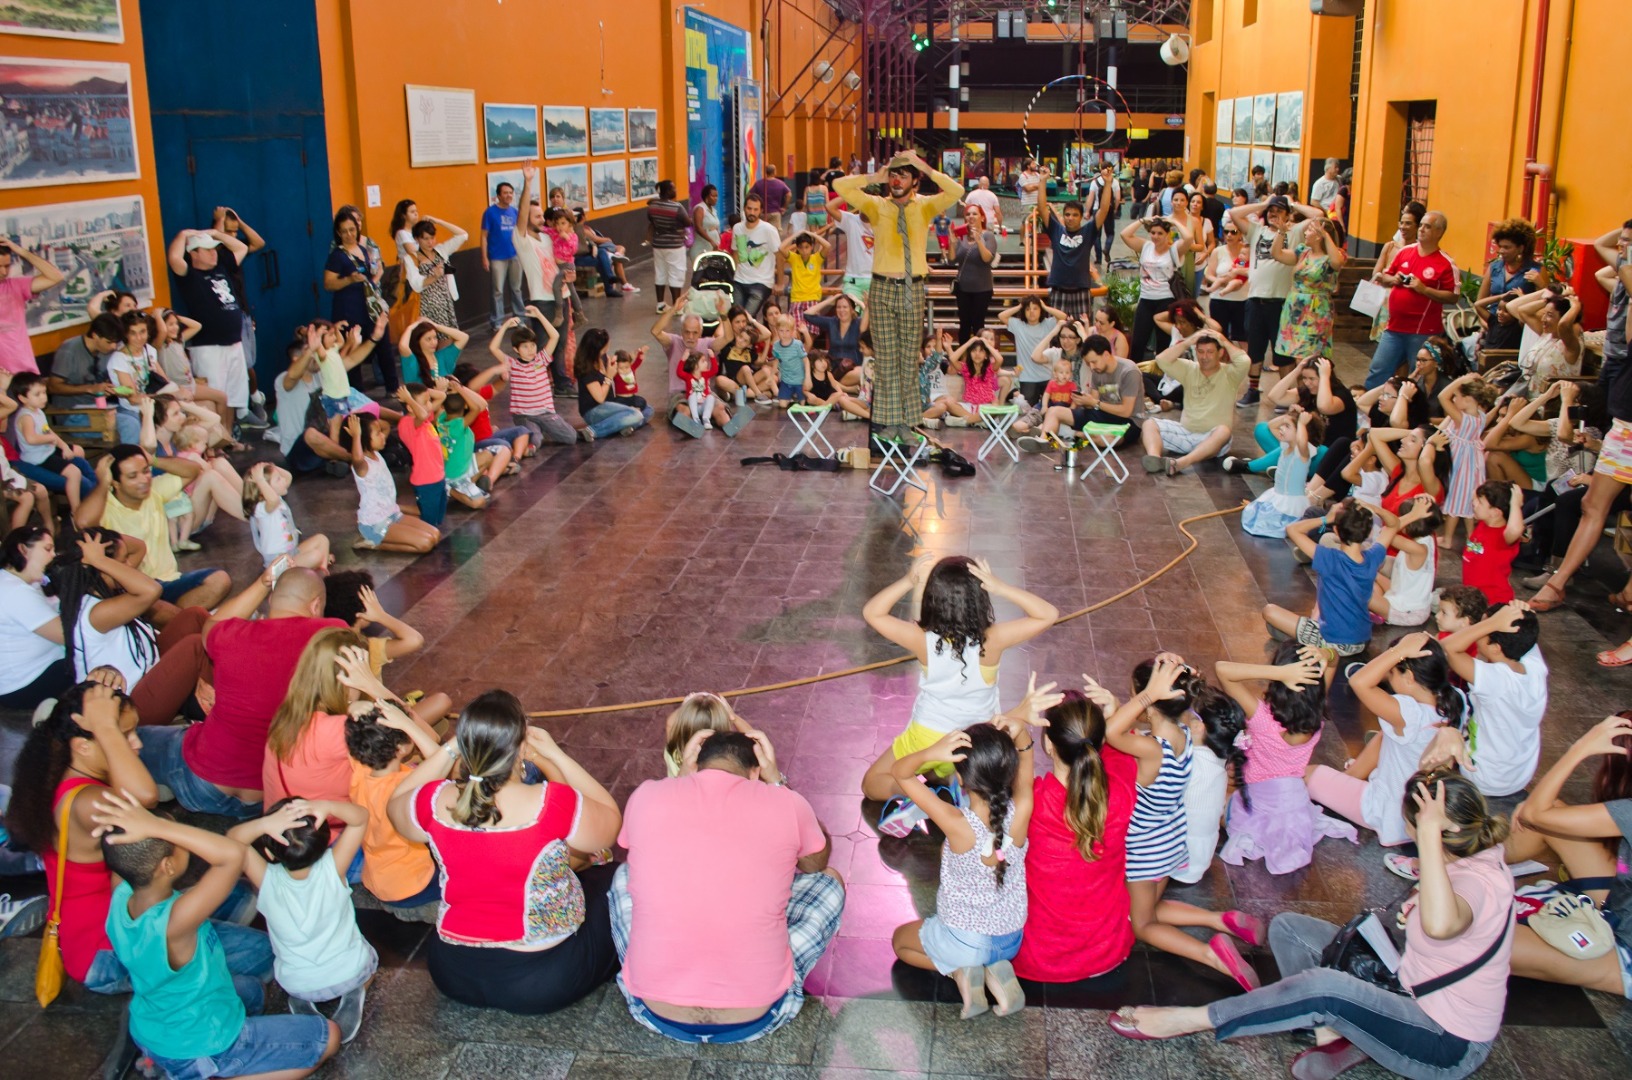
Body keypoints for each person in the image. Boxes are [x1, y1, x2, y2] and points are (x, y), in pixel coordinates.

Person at [1110, 773, 1515, 1080]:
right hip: (1405, 985)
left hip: (1443, 1042)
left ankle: (1192, 1019)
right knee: (1289, 929)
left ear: (1436, 831)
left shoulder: (1479, 883)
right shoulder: (1471, 849)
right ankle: (1340, 1029)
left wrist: (1426, 835)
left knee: (1325, 988)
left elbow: (1442, 925)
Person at [385, 690, 622, 1015]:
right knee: (613, 877)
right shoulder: (551, 802)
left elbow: (396, 804)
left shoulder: (435, 800)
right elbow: (609, 825)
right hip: (542, 980)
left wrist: (451, 748)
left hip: (453, 972)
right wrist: (554, 756)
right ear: (520, 747)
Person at [610, 727, 843, 1043]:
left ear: (695, 764)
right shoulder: (787, 802)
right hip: (763, 1014)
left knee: (624, 874)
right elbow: (814, 864)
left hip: (652, 1011)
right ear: (755, 771)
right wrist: (777, 782)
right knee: (830, 880)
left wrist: (681, 777)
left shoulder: (646, 796)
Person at [93, 789, 339, 1079]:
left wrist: (136, 821)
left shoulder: (122, 892)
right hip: (203, 1044)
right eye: (177, 839)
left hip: (155, 1026)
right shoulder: (175, 920)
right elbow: (231, 856)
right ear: (167, 866)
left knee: (253, 992)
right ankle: (201, 1072)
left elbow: (122, 851)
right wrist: (158, 827)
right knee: (328, 1037)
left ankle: (163, 1061)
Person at [861, 554, 1058, 824]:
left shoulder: (922, 639)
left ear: (932, 599)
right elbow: (1048, 614)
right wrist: (1001, 587)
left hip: (929, 736)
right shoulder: (993, 639)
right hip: (977, 741)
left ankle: (920, 795)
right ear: (979, 599)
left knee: (872, 783)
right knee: (949, 768)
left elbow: (872, 612)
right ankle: (958, 784)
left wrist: (908, 580)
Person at [138, 567, 346, 819]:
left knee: (135, 738)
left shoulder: (231, 634)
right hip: (274, 797)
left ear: (271, 600)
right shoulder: (333, 635)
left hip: (204, 784)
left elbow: (211, 624)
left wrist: (261, 583)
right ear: (316, 605)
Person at [1115, 657, 1267, 991]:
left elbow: (1113, 733)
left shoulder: (1151, 749)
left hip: (1145, 850)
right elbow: (1136, 727)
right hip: (1171, 841)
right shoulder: (1187, 735)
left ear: (1148, 699)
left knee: (1140, 923)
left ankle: (1211, 955)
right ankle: (1219, 919)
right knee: (1148, 906)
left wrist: (1143, 697)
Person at [890, 724, 1032, 1020]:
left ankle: (961, 972)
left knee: (900, 942)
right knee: (979, 946)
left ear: (960, 778)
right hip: (1011, 938)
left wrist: (931, 752)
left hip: (966, 942)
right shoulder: (1022, 810)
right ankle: (994, 969)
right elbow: (1026, 759)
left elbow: (900, 772)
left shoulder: (956, 822)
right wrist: (1021, 733)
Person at [831, 151, 963, 441]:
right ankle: (888, 422)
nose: (896, 180)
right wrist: (874, 176)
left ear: (915, 180)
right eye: (893, 175)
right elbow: (839, 186)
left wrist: (925, 167)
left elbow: (957, 191)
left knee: (908, 358)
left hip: (912, 287)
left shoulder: (925, 206)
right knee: (886, 359)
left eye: (903, 175)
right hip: (881, 287)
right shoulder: (877, 205)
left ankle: (907, 423)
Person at [1503, 714, 1632, 997]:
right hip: (1622, 905)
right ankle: (1468, 866)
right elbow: (1540, 815)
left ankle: (1459, 873)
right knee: (1553, 817)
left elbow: (1534, 813)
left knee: (1475, 942)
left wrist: (1580, 748)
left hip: (1627, 955)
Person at [227, 798, 375, 1042]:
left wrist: (264, 824)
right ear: (324, 844)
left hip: (296, 982)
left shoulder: (265, 880)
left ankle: (302, 999)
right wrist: (328, 806)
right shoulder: (334, 867)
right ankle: (356, 989)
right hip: (349, 972)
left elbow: (232, 839)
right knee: (367, 956)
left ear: (268, 852)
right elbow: (360, 818)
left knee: (297, 972)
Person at [74, 446, 230, 610]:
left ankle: (175, 618)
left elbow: (193, 470)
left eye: (145, 471)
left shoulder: (154, 491)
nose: (144, 480)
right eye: (133, 476)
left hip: (169, 581)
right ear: (115, 482)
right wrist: (102, 484)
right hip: (135, 590)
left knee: (219, 580)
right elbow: (83, 523)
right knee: (155, 605)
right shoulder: (105, 506)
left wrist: (153, 460)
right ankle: (178, 618)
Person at [1226, 194, 1321, 407]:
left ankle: (1284, 395)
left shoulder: (1295, 232)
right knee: (1255, 350)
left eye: (1279, 211)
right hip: (1255, 300)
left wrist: (1292, 204)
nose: (1274, 214)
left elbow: (1318, 214)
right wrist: (1264, 204)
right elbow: (1234, 213)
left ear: (1287, 214)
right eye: (1271, 211)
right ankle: (1253, 391)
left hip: (1281, 303)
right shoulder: (1257, 231)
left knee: (1283, 353)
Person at [166, 227, 258, 427]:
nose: (213, 253)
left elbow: (241, 248)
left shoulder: (221, 269)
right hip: (209, 347)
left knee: (233, 396)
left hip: (234, 343)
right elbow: (174, 258)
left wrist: (216, 234)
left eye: (214, 249)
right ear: (194, 254)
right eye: (207, 250)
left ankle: (229, 436)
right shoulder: (189, 276)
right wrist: (183, 235)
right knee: (217, 395)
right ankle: (217, 437)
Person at [1366, 211, 1460, 388]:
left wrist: (1424, 289)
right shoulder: (1405, 252)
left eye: (1427, 226)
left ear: (1439, 232)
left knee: (1419, 376)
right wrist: (1393, 279)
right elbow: (1384, 276)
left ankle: (1413, 404)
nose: (1421, 229)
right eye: (1421, 225)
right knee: (1378, 370)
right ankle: (1369, 404)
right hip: (1394, 328)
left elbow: (1453, 296)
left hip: (1422, 332)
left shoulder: (1446, 263)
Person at [1138, 329, 1250, 475]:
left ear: (1220, 353)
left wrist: (1223, 340)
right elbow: (1161, 360)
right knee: (1149, 424)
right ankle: (1155, 459)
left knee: (1224, 431)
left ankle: (1182, 463)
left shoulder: (1230, 374)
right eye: (1200, 351)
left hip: (1213, 439)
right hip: (1185, 433)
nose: (1204, 357)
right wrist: (1189, 341)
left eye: (1210, 352)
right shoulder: (1190, 368)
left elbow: (1244, 361)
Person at [0, 526, 69, 709]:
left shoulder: (26, 583)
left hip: (38, 670)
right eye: (47, 549)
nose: (53, 556)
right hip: (24, 683)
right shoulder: (13, 590)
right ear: (23, 549)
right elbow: (67, 635)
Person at [1274, 217, 1346, 361]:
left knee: (1308, 356)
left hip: (1315, 310)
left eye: (1309, 230)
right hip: (1295, 308)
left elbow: (1337, 263)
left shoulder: (1333, 256)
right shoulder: (1303, 252)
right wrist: (1281, 233)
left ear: (1318, 235)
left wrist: (1325, 235)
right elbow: (1277, 254)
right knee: (1295, 354)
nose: (1305, 233)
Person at [1118, 216, 1190, 361]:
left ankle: (1161, 371)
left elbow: (1189, 238)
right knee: (1138, 341)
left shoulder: (1174, 250)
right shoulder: (1146, 247)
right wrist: (1143, 220)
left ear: (1167, 234)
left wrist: (1174, 222)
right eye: (1153, 233)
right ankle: (1136, 369)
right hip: (1146, 298)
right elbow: (1124, 234)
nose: (1155, 236)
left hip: (1166, 298)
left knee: (1163, 341)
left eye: (1160, 233)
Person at [1472, 218, 1540, 350]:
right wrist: (1485, 322)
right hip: (1493, 327)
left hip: (1519, 331)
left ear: (1521, 248)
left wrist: (1540, 283)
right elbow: (1480, 300)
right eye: (1500, 246)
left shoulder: (1535, 270)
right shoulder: (1494, 268)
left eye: (1507, 247)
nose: (1501, 251)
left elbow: (1546, 301)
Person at [0, 235, 64, 373]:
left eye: (7, 266)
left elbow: (56, 277)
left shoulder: (15, 286)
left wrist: (20, 250)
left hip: (23, 370)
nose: (4, 272)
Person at [574, 328, 650, 439]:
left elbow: (620, 367)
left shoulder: (603, 357)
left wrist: (632, 358)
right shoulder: (587, 369)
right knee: (636, 414)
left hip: (609, 404)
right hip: (593, 410)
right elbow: (600, 398)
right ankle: (593, 431)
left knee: (648, 410)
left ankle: (623, 425)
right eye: (606, 345)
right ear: (597, 349)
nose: (608, 345)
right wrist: (609, 377)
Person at [1039, 197, 1104, 320]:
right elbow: (1042, 208)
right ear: (1063, 216)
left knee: (1082, 327)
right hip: (1058, 290)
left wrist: (1108, 186)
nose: (1070, 218)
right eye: (1067, 214)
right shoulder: (1056, 230)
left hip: (1081, 290)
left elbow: (1104, 210)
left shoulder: (1088, 231)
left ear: (1081, 217)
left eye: (1075, 215)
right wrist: (1041, 184)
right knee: (1056, 327)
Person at [999, 295, 1064, 406]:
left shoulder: (1047, 324)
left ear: (1040, 310)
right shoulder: (1018, 325)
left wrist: (1045, 307)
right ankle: (1014, 394)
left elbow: (1062, 316)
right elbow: (1001, 316)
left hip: (1047, 375)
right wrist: (1020, 306)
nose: (1032, 312)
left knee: (1050, 406)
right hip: (1027, 377)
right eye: (1028, 309)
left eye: (1035, 308)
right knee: (1028, 408)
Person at [46, 312, 122, 408]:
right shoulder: (69, 350)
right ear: (95, 335)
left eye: (116, 342)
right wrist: (89, 389)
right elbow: (53, 387)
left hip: (102, 406)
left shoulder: (108, 350)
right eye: (109, 342)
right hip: (72, 410)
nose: (114, 347)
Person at [481, 181, 525, 329]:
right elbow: (484, 236)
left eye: (510, 193)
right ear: (498, 196)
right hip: (497, 257)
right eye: (505, 193)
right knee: (498, 291)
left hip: (515, 255)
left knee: (516, 289)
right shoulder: (490, 213)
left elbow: (521, 234)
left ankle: (520, 318)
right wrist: (484, 257)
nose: (508, 195)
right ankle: (497, 321)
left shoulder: (515, 212)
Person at [730, 194, 782, 316]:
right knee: (735, 317)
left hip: (761, 282)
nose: (752, 212)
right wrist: (732, 275)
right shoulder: (737, 228)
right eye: (749, 208)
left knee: (747, 318)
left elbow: (779, 256)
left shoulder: (768, 230)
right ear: (744, 208)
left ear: (761, 211)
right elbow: (735, 253)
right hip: (739, 280)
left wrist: (780, 283)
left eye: (755, 209)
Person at [646, 179, 692, 313]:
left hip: (658, 245)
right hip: (675, 245)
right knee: (676, 274)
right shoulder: (677, 207)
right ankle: (677, 307)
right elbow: (687, 222)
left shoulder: (652, 207)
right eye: (673, 188)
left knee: (660, 273)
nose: (675, 190)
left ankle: (660, 305)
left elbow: (651, 220)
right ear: (667, 191)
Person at [749, 164, 792, 230]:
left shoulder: (759, 183)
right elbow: (789, 194)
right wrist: (784, 207)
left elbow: (750, 194)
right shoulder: (780, 183)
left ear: (766, 172)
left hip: (762, 213)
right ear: (774, 172)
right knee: (774, 232)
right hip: (775, 213)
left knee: (761, 231)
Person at [690, 183, 722, 261]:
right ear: (706, 197)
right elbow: (698, 227)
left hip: (712, 248)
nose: (716, 198)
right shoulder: (700, 209)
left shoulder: (714, 210)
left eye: (716, 196)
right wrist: (711, 241)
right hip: (701, 247)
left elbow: (716, 227)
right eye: (713, 196)